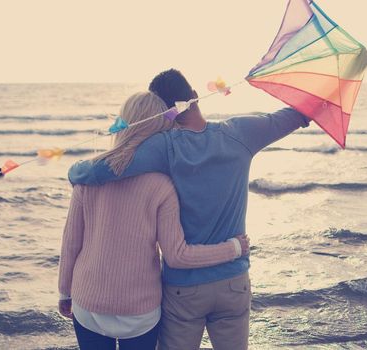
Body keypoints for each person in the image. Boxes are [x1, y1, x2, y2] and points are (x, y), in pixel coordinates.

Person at [68, 69, 310, 350]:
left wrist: (75, 171)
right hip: (233, 281)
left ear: (162, 114)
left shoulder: (163, 147)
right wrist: (325, 96)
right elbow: (294, 116)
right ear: (195, 95)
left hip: (184, 289)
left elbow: (107, 167)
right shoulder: (241, 133)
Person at [58, 91, 250, 350]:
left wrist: (64, 293)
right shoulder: (162, 186)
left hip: (88, 303)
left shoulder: (89, 178)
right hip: (139, 311)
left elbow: (71, 244)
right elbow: (177, 256)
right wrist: (234, 248)